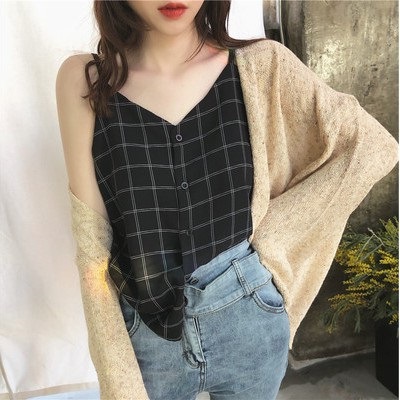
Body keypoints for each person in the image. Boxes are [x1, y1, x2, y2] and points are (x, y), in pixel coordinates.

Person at [55, 1, 398, 399]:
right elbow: (92, 246)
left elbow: (371, 147)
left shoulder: (261, 66)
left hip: (248, 318)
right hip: (146, 338)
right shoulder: (86, 81)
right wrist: (118, 379)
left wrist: (272, 241)